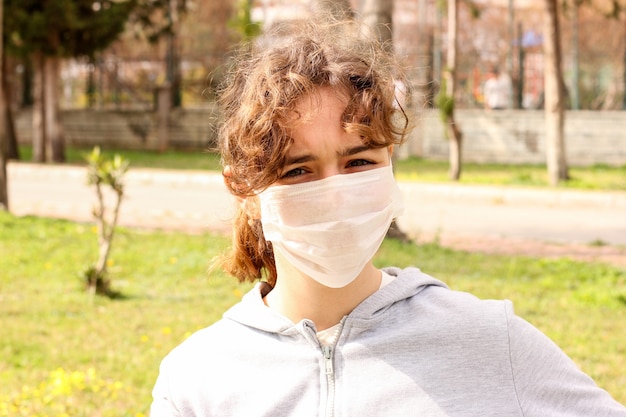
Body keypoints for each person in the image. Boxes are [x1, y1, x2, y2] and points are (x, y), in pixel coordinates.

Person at [150, 18, 626, 417]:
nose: (335, 194)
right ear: (244, 189)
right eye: (299, 169)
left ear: (390, 160)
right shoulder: (196, 380)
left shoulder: (488, 340)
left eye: (358, 162)